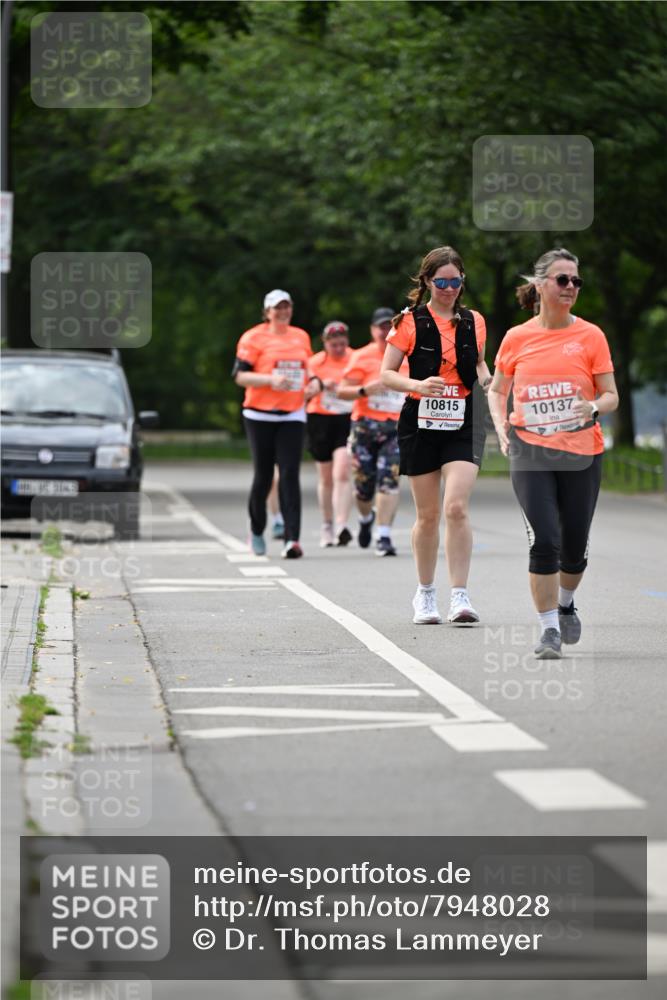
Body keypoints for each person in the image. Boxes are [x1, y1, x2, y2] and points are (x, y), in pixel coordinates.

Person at [487, 247, 618, 659]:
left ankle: (565, 604)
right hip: (530, 449)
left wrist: (593, 406)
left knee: (574, 547)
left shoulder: (591, 335)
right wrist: (501, 426)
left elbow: (611, 394)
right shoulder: (516, 337)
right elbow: (497, 389)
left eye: (576, 281)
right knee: (546, 540)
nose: (571, 287)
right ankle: (548, 632)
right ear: (540, 285)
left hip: (581, 452)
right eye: (563, 280)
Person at [381, 246, 492, 625]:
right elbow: (386, 375)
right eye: (441, 282)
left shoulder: (474, 320)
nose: (449, 289)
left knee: (456, 506)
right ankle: (425, 594)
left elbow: (476, 361)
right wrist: (418, 384)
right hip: (420, 420)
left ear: (463, 281)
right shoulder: (409, 321)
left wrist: (487, 379)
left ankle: (460, 595)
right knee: (428, 515)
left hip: (463, 418)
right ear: (427, 281)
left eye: (455, 281)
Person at [233, 289, 315, 559]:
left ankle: (292, 539)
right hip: (260, 414)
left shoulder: (300, 336)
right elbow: (241, 377)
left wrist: (314, 383)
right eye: (276, 308)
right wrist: (270, 380)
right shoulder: (253, 337)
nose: (282, 312)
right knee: (264, 475)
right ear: (267, 312)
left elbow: (309, 371)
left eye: (286, 307)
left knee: (290, 473)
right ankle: (257, 530)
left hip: (293, 413)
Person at [338, 308, 409, 556]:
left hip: (396, 428)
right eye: (379, 326)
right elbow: (341, 391)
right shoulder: (361, 357)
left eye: (388, 326)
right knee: (363, 486)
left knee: (389, 480)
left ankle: (384, 536)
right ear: (372, 330)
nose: (383, 331)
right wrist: (364, 391)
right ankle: (366, 518)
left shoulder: (408, 355)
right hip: (365, 426)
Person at [306, 321, 355, 547]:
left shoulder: (355, 358)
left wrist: (345, 390)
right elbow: (302, 394)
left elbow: (366, 387)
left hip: (346, 419)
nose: (338, 349)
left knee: (342, 471)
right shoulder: (314, 362)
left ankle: (342, 524)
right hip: (320, 419)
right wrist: (320, 385)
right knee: (326, 478)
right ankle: (327, 525)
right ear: (325, 343)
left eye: (342, 344)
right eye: (334, 345)